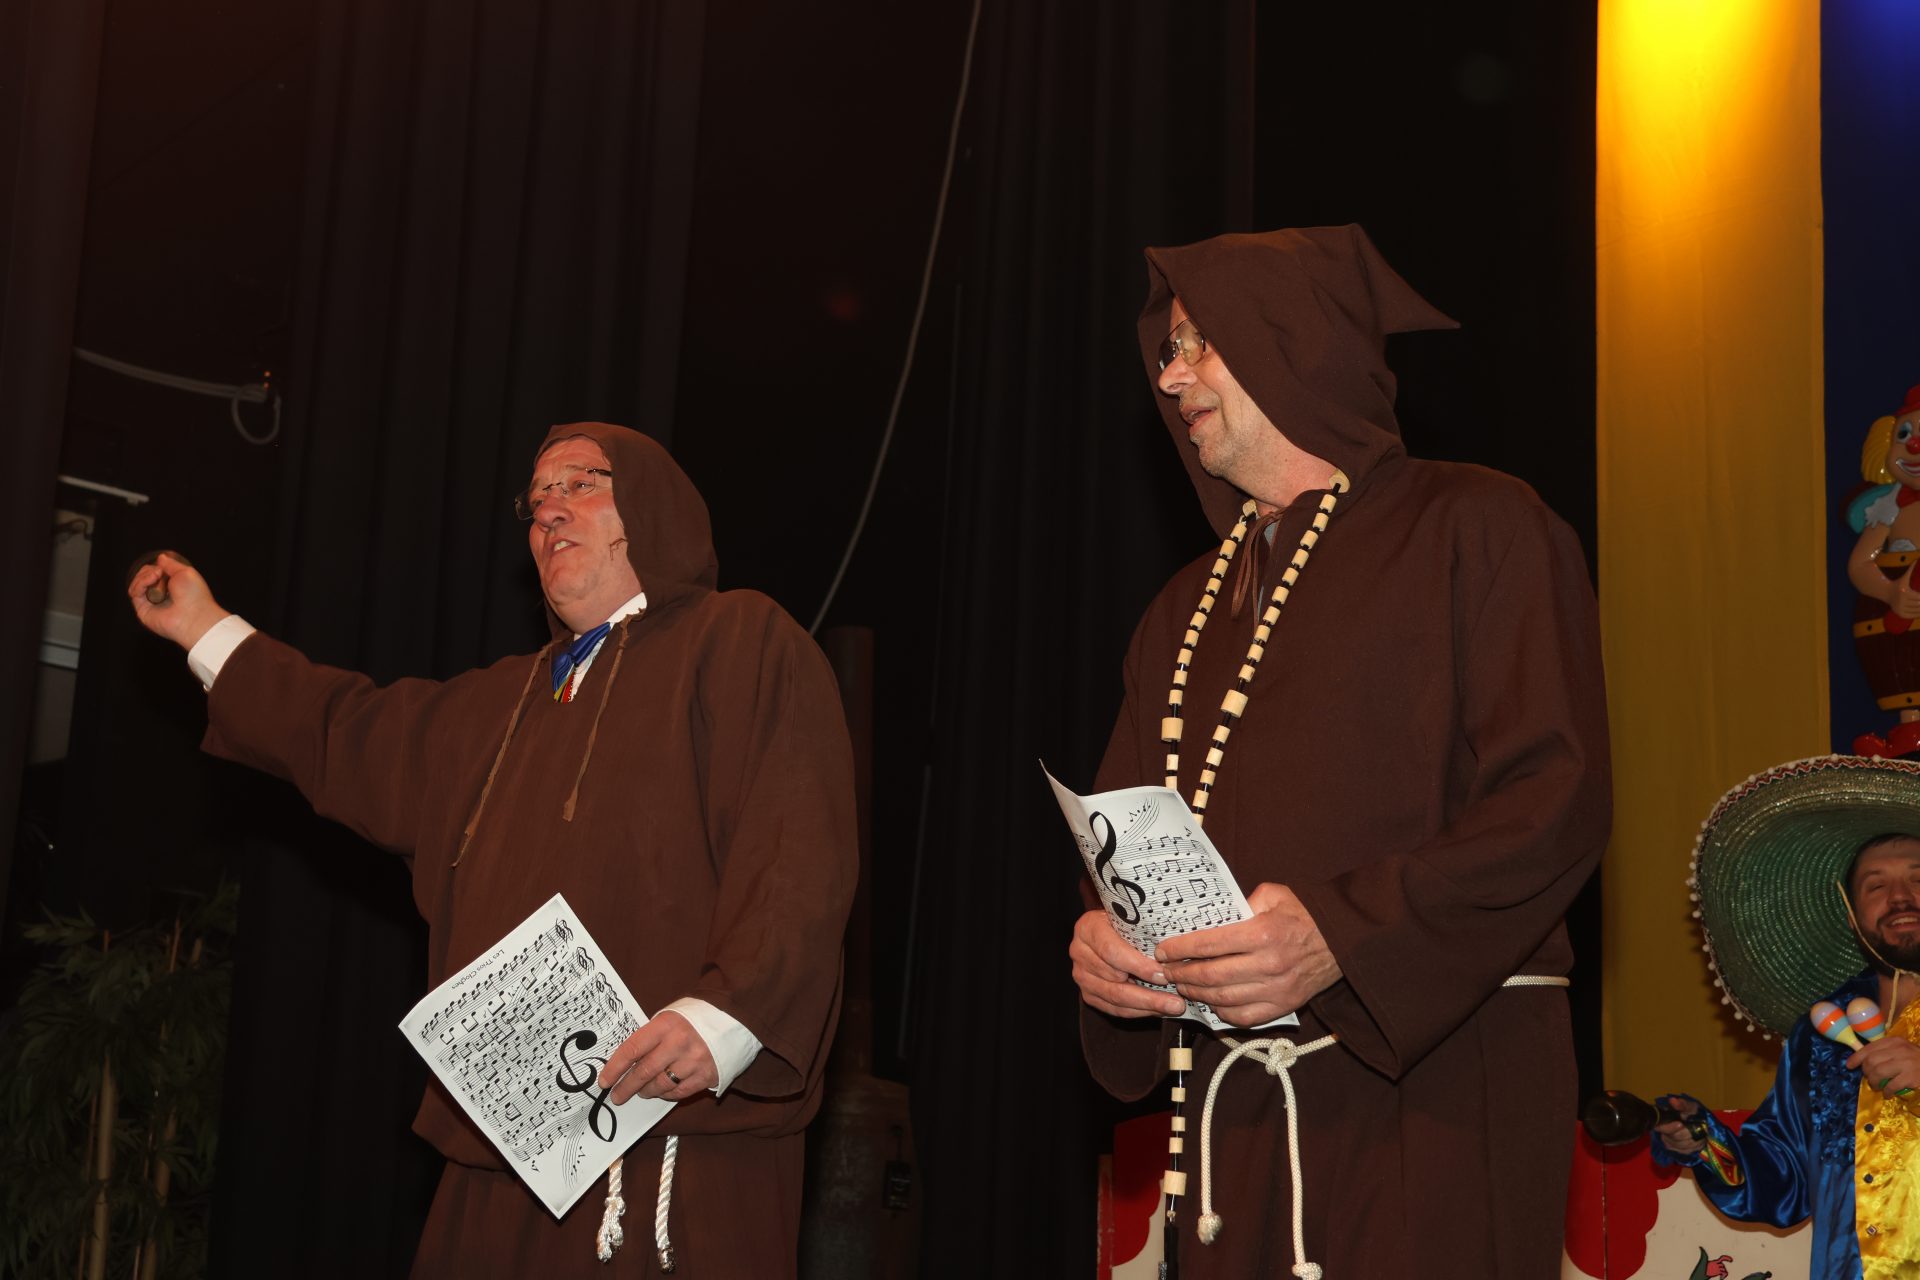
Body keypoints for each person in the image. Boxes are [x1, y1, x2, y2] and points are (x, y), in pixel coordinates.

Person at [128, 422, 857, 1277]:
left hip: (675, 1151)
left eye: (581, 483)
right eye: (537, 498)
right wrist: (204, 626)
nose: (549, 509)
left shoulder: (739, 641)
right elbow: (341, 730)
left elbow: (797, 847)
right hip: (504, 1159)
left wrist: (725, 1019)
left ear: (650, 507)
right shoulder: (496, 706)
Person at [1066, 225, 1610, 1277]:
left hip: (1434, 1101)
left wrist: (1343, 937)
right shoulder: (1182, 608)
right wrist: (1106, 943)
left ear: (1293, 342)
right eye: (1168, 350)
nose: (1169, 377)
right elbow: (1122, 836)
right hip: (1232, 1125)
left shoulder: (1482, 525)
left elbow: (1557, 798)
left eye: (1197, 343)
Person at [1651, 755, 1920, 1280]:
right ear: (1852, 914)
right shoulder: (1822, 1034)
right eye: (1875, 886)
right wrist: (1704, 1144)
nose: (1900, 898)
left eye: (1918, 879)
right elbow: (1783, 1182)